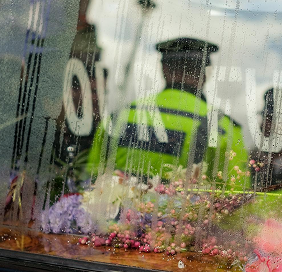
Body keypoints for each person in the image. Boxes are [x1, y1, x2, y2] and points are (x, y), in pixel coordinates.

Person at [86, 37, 249, 189]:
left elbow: (91, 181)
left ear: (164, 69)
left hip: (114, 217)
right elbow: (236, 197)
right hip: (182, 218)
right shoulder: (221, 127)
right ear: (205, 74)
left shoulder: (120, 116)